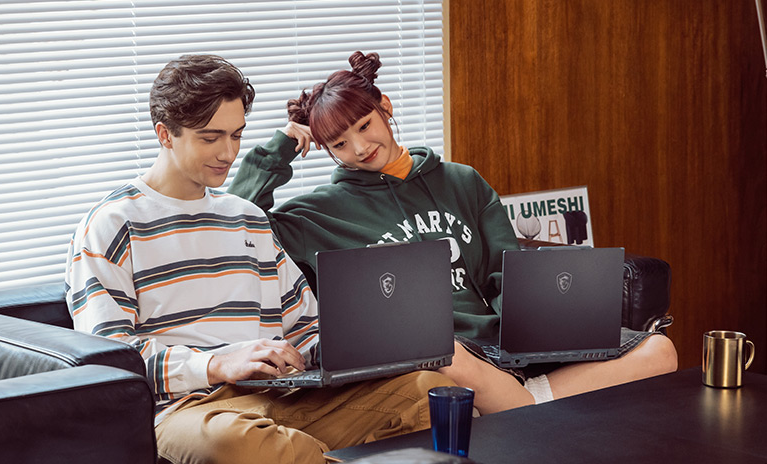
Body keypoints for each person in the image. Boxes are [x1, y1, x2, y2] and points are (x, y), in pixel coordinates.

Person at [228, 51, 678, 415]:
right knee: (446, 357)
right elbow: (237, 216)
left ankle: (520, 402)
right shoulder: (315, 215)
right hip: (446, 356)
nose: (360, 149)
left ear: (385, 108)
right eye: (339, 144)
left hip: (502, 342)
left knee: (661, 351)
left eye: (364, 127)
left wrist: (539, 334)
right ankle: (529, 405)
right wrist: (282, 144)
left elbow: (506, 272)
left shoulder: (462, 181)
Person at [65, 54, 455, 464]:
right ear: (165, 134)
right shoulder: (111, 225)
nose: (228, 153)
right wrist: (216, 365)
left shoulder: (248, 219)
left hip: (284, 398)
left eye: (236, 135)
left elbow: (306, 327)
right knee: (231, 442)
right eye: (210, 137)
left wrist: (363, 342)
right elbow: (109, 361)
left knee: (424, 392)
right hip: (191, 413)